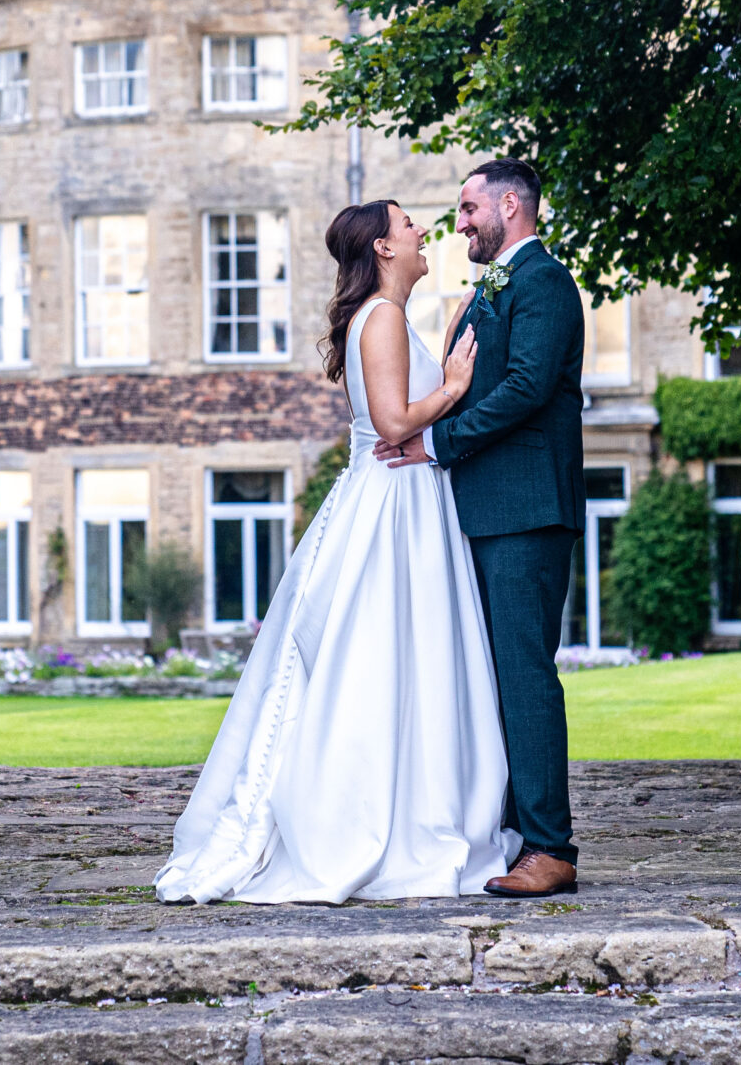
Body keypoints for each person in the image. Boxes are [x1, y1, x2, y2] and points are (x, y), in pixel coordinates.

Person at [155, 201, 519, 903]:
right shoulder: (378, 317)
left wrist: (441, 352)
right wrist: (452, 387)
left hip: (405, 498)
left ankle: (414, 803)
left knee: (405, 659)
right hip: (391, 503)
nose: (422, 232)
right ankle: (377, 820)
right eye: (409, 223)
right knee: (382, 656)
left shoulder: (388, 317)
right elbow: (390, 422)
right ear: (383, 246)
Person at [375, 159, 587, 899]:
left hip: (527, 506)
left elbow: (529, 387)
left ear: (510, 204)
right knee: (490, 675)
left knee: (524, 673)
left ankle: (550, 847)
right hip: (485, 506)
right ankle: (505, 832)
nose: (459, 221)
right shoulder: (493, 289)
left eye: (468, 207)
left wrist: (434, 443)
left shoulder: (545, 282)